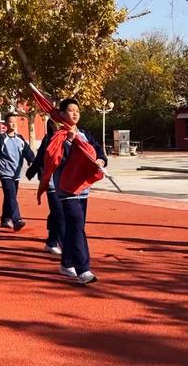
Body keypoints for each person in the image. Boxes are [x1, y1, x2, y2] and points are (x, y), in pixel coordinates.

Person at [41, 98, 106, 285]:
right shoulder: (58, 136)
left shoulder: (84, 134)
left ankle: (66, 262)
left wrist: (101, 161)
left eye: (77, 110)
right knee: (77, 226)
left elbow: (98, 151)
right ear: (62, 114)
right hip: (66, 188)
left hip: (83, 188)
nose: (75, 113)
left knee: (74, 227)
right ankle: (83, 269)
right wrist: (69, 143)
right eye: (70, 110)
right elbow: (55, 159)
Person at [0, 113, 35, 231]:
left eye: (15, 122)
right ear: (5, 124)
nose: (13, 124)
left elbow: (27, 152)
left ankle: (5, 219)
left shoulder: (20, 139)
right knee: (11, 195)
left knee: (10, 196)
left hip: (16, 173)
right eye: (10, 122)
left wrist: (31, 160)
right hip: (5, 172)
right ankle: (17, 219)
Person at [26, 119, 64, 255]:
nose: (57, 125)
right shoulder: (48, 139)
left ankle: (51, 241)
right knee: (59, 211)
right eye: (54, 123)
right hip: (50, 181)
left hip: (65, 182)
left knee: (57, 213)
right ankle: (63, 243)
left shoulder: (67, 137)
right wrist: (32, 171)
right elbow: (40, 157)